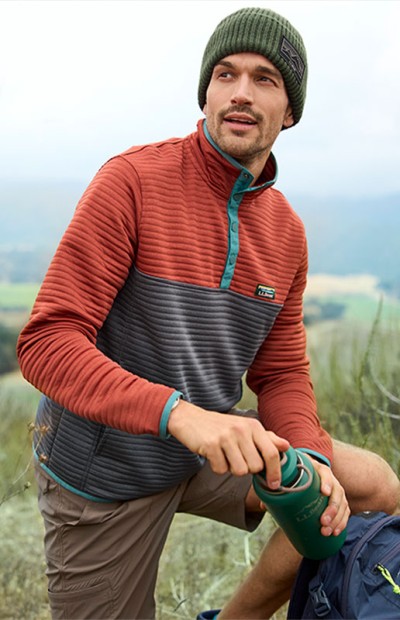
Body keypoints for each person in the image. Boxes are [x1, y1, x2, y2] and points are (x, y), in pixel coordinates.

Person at [17, 6, 400, 619]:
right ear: (206, 92)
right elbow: (47, 342)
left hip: (212, 449)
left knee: (372, 487)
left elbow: (279, 375)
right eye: (226, 74)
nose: (241, 93)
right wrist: (181, 416)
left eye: (265, 79)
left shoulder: (287, 234)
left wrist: (311, 457)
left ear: (291, 111)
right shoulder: (132, 182)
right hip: (106, 472)